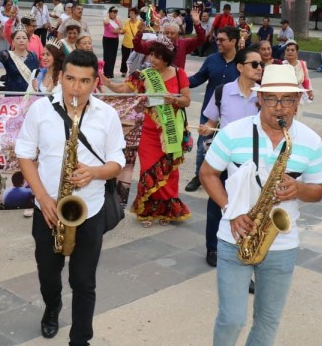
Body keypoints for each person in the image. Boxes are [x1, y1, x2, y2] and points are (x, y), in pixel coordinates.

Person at [199, 64, 322, 346]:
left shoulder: (310, 141)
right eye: (272, 99)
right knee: (232, 317)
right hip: (234, 236)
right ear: (259, 99)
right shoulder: (233, 132)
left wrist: (299, 188)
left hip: (281, 244)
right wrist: (231, 209)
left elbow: (319, 189)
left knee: (268, 318)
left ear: (298, 103)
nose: (280, 107)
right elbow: (207, 173)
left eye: (288, 100)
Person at [16, 49, 126, 346]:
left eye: (84, 81)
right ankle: (52, 305)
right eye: (70, 79)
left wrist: (94, 172)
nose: (76, 89)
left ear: (95, 82)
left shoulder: (107, 114)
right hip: (48, 209)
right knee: (48, 274)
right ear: (60, 76)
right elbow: (24, 155)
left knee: (85, 283)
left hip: (88, 211)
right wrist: (44, 198)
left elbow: (117, 162)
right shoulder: (40, 110)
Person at [102, 39, 191, 225]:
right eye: (151, 55)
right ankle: (147, 210)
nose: (153, 59)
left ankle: (167, 210)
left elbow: (186, 100)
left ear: (166, 58)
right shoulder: (143, 75)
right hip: (148, 132)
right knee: (148, 169)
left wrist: (173, 101)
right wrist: (107, 82)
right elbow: (123, 90)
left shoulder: (179, 73)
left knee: (169, 171)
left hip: (171, 129)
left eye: (158, 56)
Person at [197, 46, 264, 267]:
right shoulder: (222, 91)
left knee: (251, 206)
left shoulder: (264, 95)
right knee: (217, 203)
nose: (259, 68)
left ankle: (246, 250)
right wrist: (206, 128)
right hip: (224, 159)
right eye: (254, 64)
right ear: (240, 67)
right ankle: (213, 248)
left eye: (261, 64)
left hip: (253, 160)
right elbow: (211, 122)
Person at [184, 26, 240, 194]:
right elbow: (197, 79)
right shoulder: (211, 59)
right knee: (203, 146)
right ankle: (199, 177)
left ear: (233, 41)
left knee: (232, 149)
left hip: (233, 114)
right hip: (209, 112)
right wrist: (177, 80)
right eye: (217, 39)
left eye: (222, 40)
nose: (218, 42)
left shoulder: (242, 63)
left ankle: (228, 178)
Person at [131, 17, 206, 70]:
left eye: (172, 33)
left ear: (177, 34)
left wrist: (197, 23)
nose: (169, 35)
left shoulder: (183, 43)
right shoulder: (156, 43)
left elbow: (201, 39)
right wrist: (139, 33)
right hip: (158, 81)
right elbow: (138, 48)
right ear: (163, 33)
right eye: (166, 33)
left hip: (176, 80)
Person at [0, 24, 40, 93]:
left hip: (29, 96)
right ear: (13, 42)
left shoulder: (33, 56)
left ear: (28, 41)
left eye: (24, 38)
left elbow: (37, 75)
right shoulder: (7, 55)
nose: (21, 40)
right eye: (18, 38)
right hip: (12, 96)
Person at [119, 7, 141, 77]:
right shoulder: (127, 22)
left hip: (136, 45)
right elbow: (123, 31)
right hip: (126, 43)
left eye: (132, 13)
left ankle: (133, 71)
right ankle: (123, 71)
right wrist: (119, 31)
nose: (130, 15)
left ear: (136, 14)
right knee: (125, 58)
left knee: (134, 59)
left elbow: (141, 33)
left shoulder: (139, 22)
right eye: (130, 13)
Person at [101, 6, 122, 79]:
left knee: (113, 56)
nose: (115, 14)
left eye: (116, 12)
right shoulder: (106, 19)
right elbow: (106, 22)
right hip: (107, 39)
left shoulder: (117, 20)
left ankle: (111, 72)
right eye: (113, 12)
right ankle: (106, 72)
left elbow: (121, 28)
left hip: (115, 40)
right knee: (107, 56)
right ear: (109, 12)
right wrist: (108, 15)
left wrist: (117, 21)